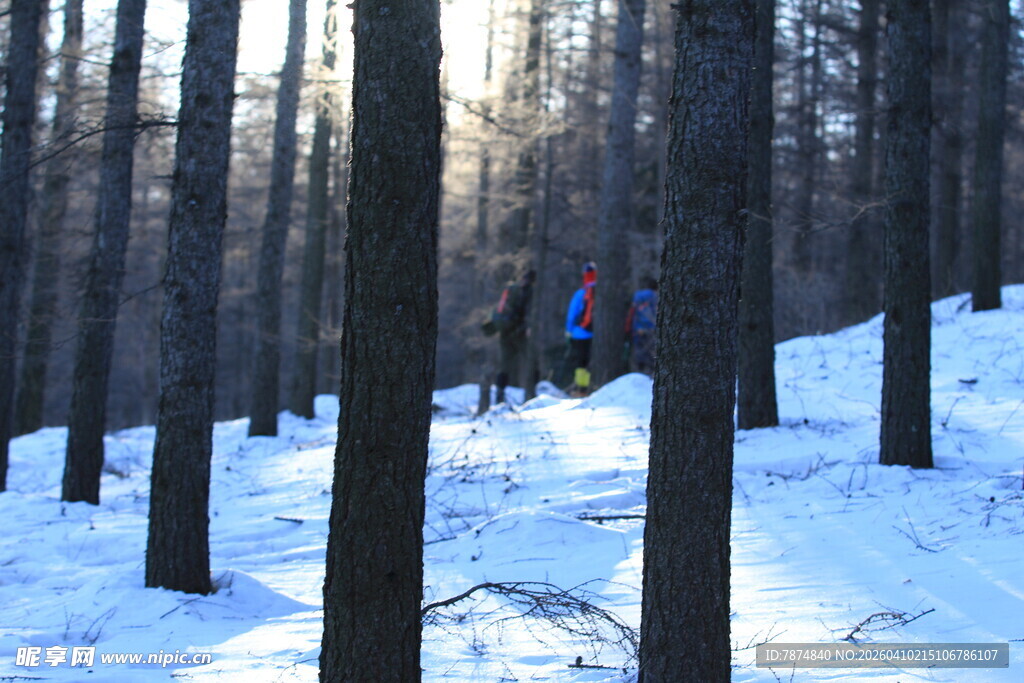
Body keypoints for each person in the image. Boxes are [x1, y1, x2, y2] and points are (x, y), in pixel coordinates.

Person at [495, 269, 535, 403]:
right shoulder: (527, 291)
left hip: (505, 331)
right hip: (518, 331)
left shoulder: (511, 288)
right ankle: (531, 393)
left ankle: (499, 396)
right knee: (530, 360)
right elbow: (527, 312)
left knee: (505, 364)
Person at [564, 261, 597, 396]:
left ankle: (580, 388)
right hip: (593, 333)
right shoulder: (599, 292)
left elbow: (572, 314)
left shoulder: (581, 293)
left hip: (579, 333)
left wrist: (568, 330)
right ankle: (585, 387)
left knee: (580, 362)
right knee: (587, 360)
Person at [624, 276, 658, 374]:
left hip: (637, 328)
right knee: (651, 352)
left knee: (639, 352)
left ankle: (640, 371)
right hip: (651, 329)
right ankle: (650, 373)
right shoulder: (655, 297)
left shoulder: (637, 296)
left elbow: (632, 312)